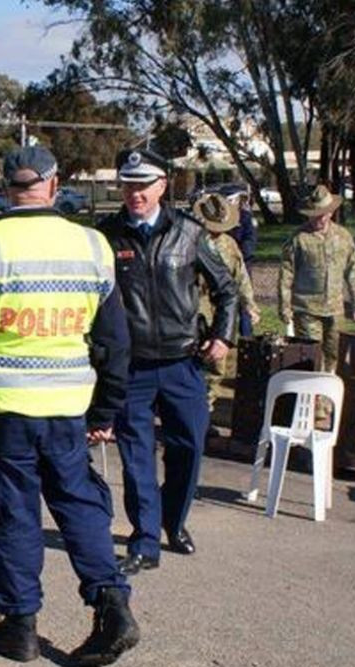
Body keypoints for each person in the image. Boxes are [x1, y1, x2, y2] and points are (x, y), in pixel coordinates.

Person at [0, 146, 138, 667]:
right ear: (54, 184)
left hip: (2, 412)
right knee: (80, 507)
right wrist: (106, 410)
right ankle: (111, 605)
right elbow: (115, 340)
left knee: (12, 515)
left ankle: (19, 624)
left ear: (6, 188)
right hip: (68, 409)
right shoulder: (92, 246)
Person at [96, 148, 237, 574]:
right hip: (131, 367)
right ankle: (144, 541)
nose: (135, 193)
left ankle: (173, 524)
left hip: (182, 363)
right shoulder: (106, 236)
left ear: (163, 186)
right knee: (136, 456)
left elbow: (226, 290)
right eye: (128, 184)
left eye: (144, 184)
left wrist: (222, 336)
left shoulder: (189, 233)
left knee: (188, 448)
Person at [278, 184, 355, 374]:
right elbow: (286, 275)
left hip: (335, 308)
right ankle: (312, 399)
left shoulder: (343, 237)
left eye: (322, 214)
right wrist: (285, 306)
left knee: (333, 354)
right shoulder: (298, 239)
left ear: (330, 213)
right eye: (314, 214)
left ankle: (327, 397)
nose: (318, 219)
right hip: (306, 309)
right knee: (312, 354)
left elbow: (353, 270)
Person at [192, 193, 260, 417]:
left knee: (217, 363)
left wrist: (249, 304)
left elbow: (240, 277)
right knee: (195, 362)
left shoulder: (229, 245)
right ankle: (194, 410)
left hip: (222, 311)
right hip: (195, 309)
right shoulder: (191, 240)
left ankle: (206, 410)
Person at [222, 183, 258, 338]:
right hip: (221, 266)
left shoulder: (246, 217)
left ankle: (246, 336)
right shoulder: (220, 216)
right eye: (227, 200)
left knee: (244, 302)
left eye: (232, 200)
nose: (229, 203)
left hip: (242, 264)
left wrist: (237, 255)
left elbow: (250, 241)